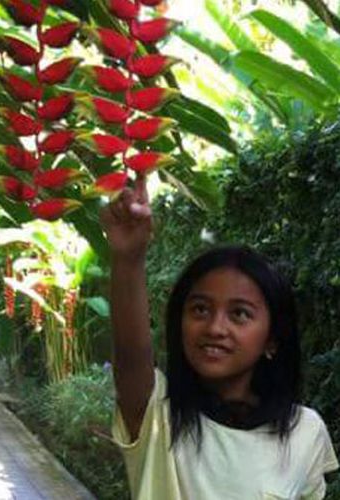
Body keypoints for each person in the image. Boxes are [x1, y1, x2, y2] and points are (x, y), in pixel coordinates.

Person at [100, 174, 339, 499]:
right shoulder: (157, 415)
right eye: (200, 309)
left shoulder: (304, 431)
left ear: (272, 339)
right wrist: (128, 259)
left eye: (239, 313)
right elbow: (130, 355)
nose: (214, 327)